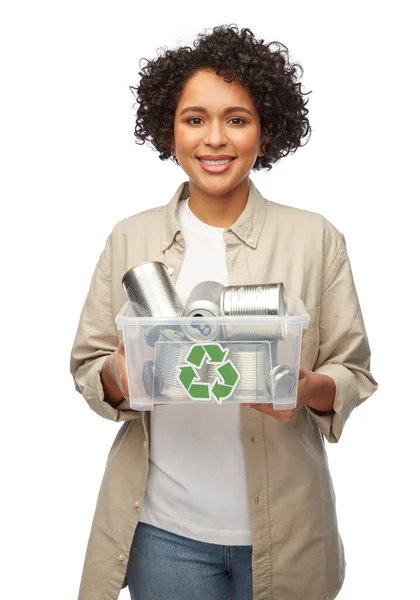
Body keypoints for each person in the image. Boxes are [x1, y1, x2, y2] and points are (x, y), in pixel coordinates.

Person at [70, 24, 378, 600]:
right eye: (195, 119)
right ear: (170, 129)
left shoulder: (315, 239)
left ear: (266, 132)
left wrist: (306, 386)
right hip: (165, 533)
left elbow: (352, 372)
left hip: (287, 530)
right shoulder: (130, 240)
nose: (215, 139)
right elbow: (90, 366)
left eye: (237, 119)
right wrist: (119, 373)